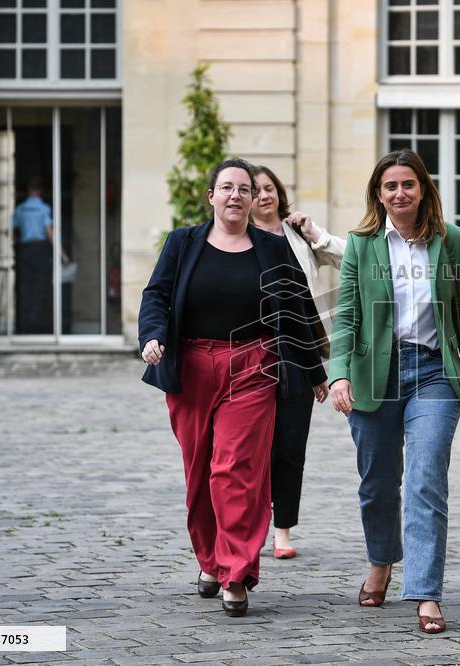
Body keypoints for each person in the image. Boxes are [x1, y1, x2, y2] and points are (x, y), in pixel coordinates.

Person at [138, 158, 328, 618]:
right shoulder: (183, 244)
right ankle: (210, 560)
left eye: (244, 189)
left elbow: (299, 306)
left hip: (254, 365)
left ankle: (236, 571)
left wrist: (315, 371)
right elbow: (157, 295)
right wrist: (152, 335)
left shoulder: (271, 247)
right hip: (193, 368)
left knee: (236, 469)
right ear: (211, 196)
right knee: (200, 470)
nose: (237, 196)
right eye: (227, 187)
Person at [328, 149, 460, 634]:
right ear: (379, 192)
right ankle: (381, 560)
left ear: (423, 189)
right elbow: (347, 313)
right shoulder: (361, 243)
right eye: (390, 186)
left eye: (408, 184)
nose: (399, 193)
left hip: (434, 372)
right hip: (375, 375)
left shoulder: (449, 239)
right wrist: (339, 373)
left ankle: (426, 592)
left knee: (425, 478)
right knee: (377, 482)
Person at [249, 165, 346, 559]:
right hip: (250, 351)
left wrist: (315, 234)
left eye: (269, 188)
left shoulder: (298, 237)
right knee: (252, 447)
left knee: (290, 446)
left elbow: (347, 259)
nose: (263, 196)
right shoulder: (238, 239)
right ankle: (249, 526)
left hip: (297, 350)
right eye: (255, 190)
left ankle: (282, 530)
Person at [11, 176, 67, 333]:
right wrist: (62, 255)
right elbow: (50, 231)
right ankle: (39, 326)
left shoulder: (20, 209)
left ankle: (24, 326)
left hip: (24, 249)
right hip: (40, 249)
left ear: (29, 190)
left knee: (25, 288)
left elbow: (13, 231)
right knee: (40, 288)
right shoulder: (43, 208)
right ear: (41, 191)